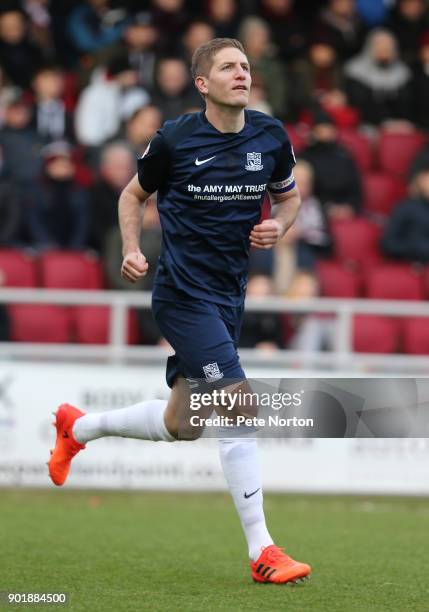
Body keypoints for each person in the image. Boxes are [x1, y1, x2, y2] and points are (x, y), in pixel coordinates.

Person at [48, 38, 311, 585]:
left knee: (184, 424)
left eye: (244, 65)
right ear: (202, 84)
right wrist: (131, 248)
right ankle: (263, 550)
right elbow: (130, 197)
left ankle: (80, 428)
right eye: (227, 67)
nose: (241, 73)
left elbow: (288, 199)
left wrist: (279, 226)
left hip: (229, 297)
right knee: (238, 405)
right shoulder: (175, 139)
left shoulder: (271, 135)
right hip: (183, 296)